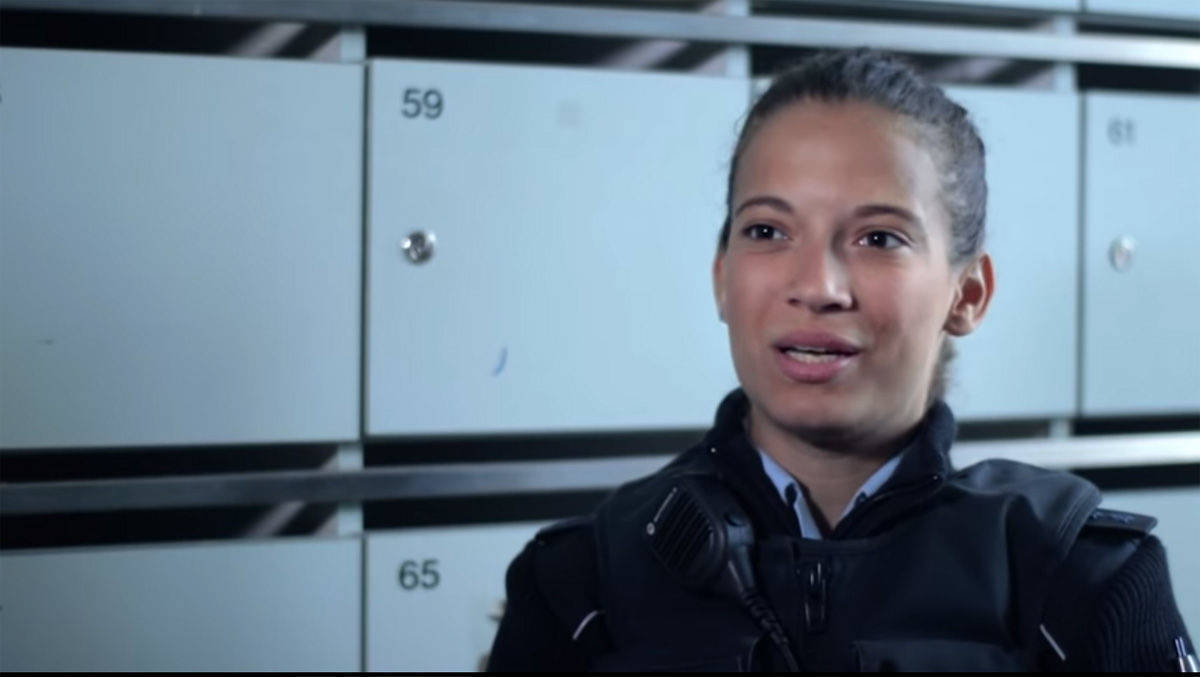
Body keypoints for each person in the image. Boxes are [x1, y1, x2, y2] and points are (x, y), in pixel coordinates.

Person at [486, 48, 1194, 672]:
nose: (817, 287)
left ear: (967, 294)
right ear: (721, 277)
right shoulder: (582, 580)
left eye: (879, 238)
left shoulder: (1084, 574)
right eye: (767, 230)